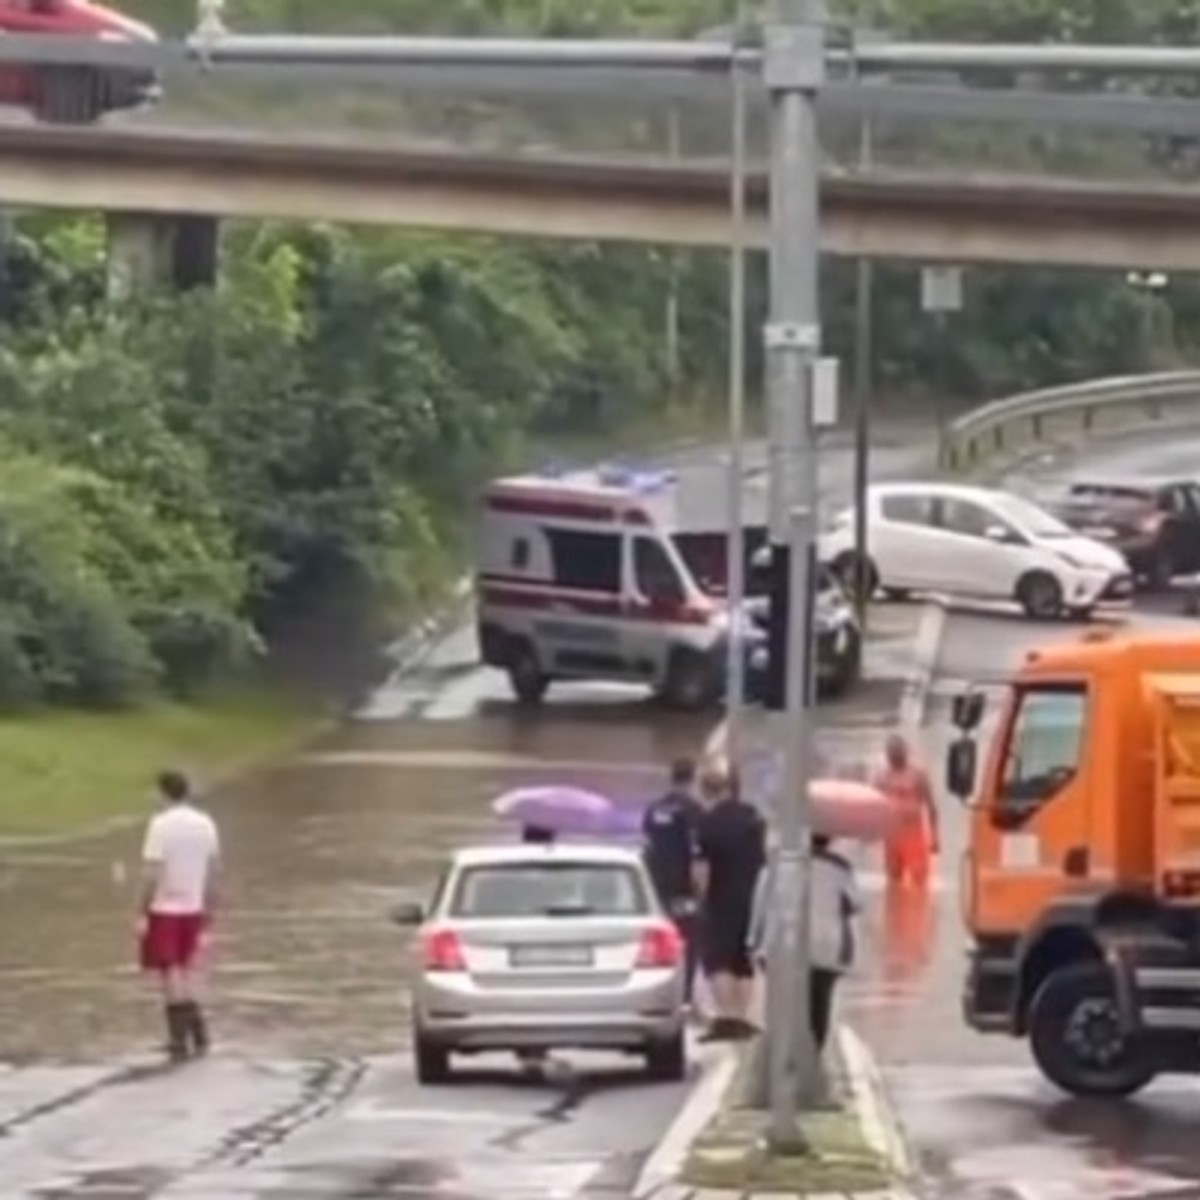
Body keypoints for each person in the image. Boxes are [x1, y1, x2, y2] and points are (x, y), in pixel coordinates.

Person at [747, 834, 860, 1052]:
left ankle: (784, 1055)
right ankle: (813, 1055)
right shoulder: (840, 868)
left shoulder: (775, 864)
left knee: (783, 1005)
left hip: (781, 945)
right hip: (827, 947)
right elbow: (855, 904)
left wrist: (754, 944)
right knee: (819, 1004)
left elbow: (760, 907)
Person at [139, 769, 220, 1062]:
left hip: (166, 905)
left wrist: (142, 909)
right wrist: (210, 908)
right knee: (186, 968)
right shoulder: (206, 823)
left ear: (163, 793)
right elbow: (212, 871)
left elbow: (153, 871)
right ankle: (197, 1032)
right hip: (194, 905)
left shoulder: (160, 825)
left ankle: (179, 1036)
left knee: (170, 969)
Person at [693, 758, 766, 1041]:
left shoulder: (707, 823)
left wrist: (700, 898)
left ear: (708, 790)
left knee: (717, 960)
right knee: (742, 959)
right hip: (753, 895)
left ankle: (729, 1017)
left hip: (721, 898)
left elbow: (702, 871)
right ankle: (743, 1017)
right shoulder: (753, 817)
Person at [642, 757, 704, 1006]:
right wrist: (700, 887)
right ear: (692, 778)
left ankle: (660, 990)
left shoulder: (655, 807)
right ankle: (685, 994)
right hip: (683, 885)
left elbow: (648, 841)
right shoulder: (693, 809)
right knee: (688, 938)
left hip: (656, 884)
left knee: (661, 939)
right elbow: (696, 849)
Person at [875, 733, 938, 889]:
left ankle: (921, 911)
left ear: (905, 752)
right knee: (893, 887)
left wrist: (935, 837)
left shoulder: (918, 774)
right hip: (891, 838)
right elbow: (873, 806)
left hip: (914, 836)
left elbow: (931, 806)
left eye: (897, 753)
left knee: (920, 885)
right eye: (891, 753)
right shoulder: (882, 776)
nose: (894, 757)